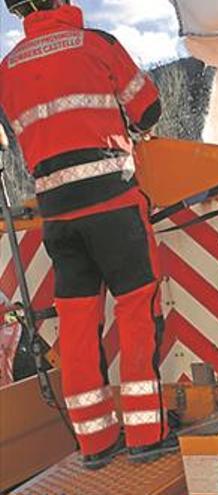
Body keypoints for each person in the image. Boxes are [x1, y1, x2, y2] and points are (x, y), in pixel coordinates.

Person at [0, 0, 176, 470]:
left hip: (58, 218)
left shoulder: (7, 69)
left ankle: (96, 443)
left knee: (76, 325)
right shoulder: (97, 43)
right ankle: (147, 434)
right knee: (137, 310)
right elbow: (149, 109)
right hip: (114, 207)